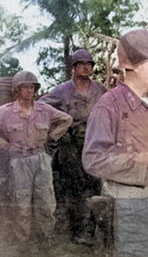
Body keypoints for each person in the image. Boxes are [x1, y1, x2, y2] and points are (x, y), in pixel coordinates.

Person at [82, 29, 148, 257]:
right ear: (135, 65)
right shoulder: (109, 105)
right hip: (126, 208)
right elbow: (93, 159)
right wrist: (145, 161)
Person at [39, 49, 107, 244]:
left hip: (94, 142)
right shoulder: (63, 90)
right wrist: (59, 123)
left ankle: (91, 230)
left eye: (89, 64)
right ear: (74, 67)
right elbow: (42, 106)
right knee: (74, 188)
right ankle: (76, 231)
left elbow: (112, 108)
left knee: (94, 186)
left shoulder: (99, 89)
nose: (86, 67)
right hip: (71, 147)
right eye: (81, 64)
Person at [0, 71, 72, 254]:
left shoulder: (44, 110)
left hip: (41, 159)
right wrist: (6, 146)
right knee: (21, 202)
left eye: (32, 87)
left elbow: (67, 119)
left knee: (45, 201)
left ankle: (45, 239)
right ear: (17, 90)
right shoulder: (6, 112)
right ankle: (23, 241)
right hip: (18, 161)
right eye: (25, 87)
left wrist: (51, 137)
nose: (29, 91)